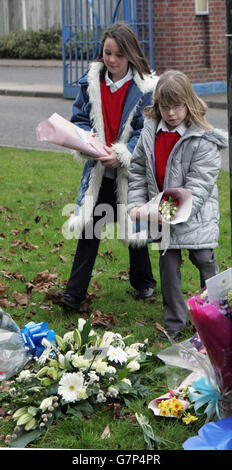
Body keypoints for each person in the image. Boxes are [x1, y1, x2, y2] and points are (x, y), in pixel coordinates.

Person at [62, 22, 159, 311]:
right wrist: (88, 143)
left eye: (119, 54)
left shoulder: (146, 88)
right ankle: (73, 296)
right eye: (107, 52)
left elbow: (147, 130)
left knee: (134, 230)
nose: (112, 60)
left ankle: (143, 283)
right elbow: (78, 120)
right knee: (89, 233)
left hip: (129, 173)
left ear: (131, 54)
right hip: (98, 173)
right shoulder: (89, 83)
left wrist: (124, 153)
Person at [127, 69, 228, 341]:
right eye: (165, 106)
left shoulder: (203, 139)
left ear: (189, 104)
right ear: (157, 105)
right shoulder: (150, 132)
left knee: (204, 261)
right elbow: (137, 171)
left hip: (195, 218)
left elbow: (199, 185)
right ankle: (173, 322)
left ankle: (217, 314)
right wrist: (137, 205)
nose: (171, 113)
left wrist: (168, 212)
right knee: (168, 268)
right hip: (162, 219)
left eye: (177, 106)